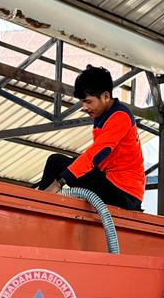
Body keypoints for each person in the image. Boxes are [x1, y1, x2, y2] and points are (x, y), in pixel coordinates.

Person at [35, 65, 145, 211]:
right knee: (59, 163)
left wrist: (57, 184)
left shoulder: (120, 117)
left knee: (56, 163)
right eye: (82, 102)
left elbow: (95, 155)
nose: (84, 107)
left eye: (88, 102)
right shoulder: (104, 116)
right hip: (111, 182)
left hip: (123, 193)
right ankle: (41, 202)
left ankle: (39, 204)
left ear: (106, 96)